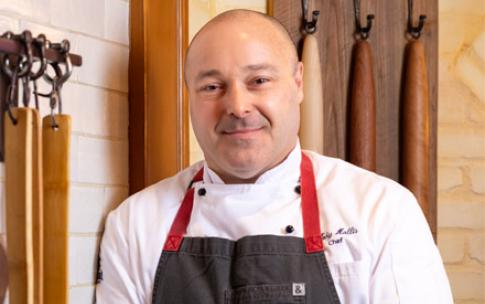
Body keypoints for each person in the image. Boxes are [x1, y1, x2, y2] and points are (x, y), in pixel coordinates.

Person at [96, 9, 453, 304]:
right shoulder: (134, 226)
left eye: (259, 81)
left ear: (298, 83)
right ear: (188, 96)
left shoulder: (381, 210)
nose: (237, 106)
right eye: (212, 87)